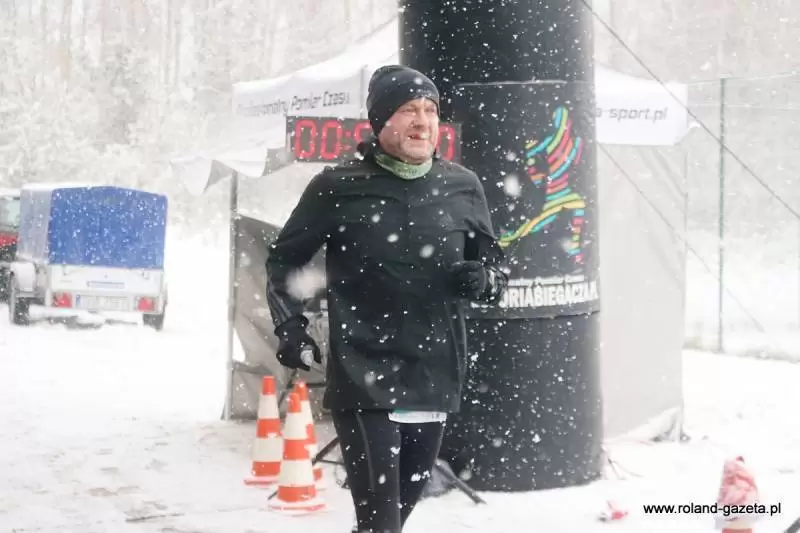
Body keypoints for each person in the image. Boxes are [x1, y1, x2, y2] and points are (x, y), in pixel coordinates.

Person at [265, 65, 508, 533]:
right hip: (364, 371)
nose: (422, 121)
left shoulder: (463, 186)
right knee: (381, 523)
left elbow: (497, 274)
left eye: (430, 110)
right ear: (380, 122)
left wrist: (484, 280)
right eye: (407, 110)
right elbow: (284, 260)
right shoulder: (336, 187)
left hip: (433, 372)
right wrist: (290, 326)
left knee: (395, 516)